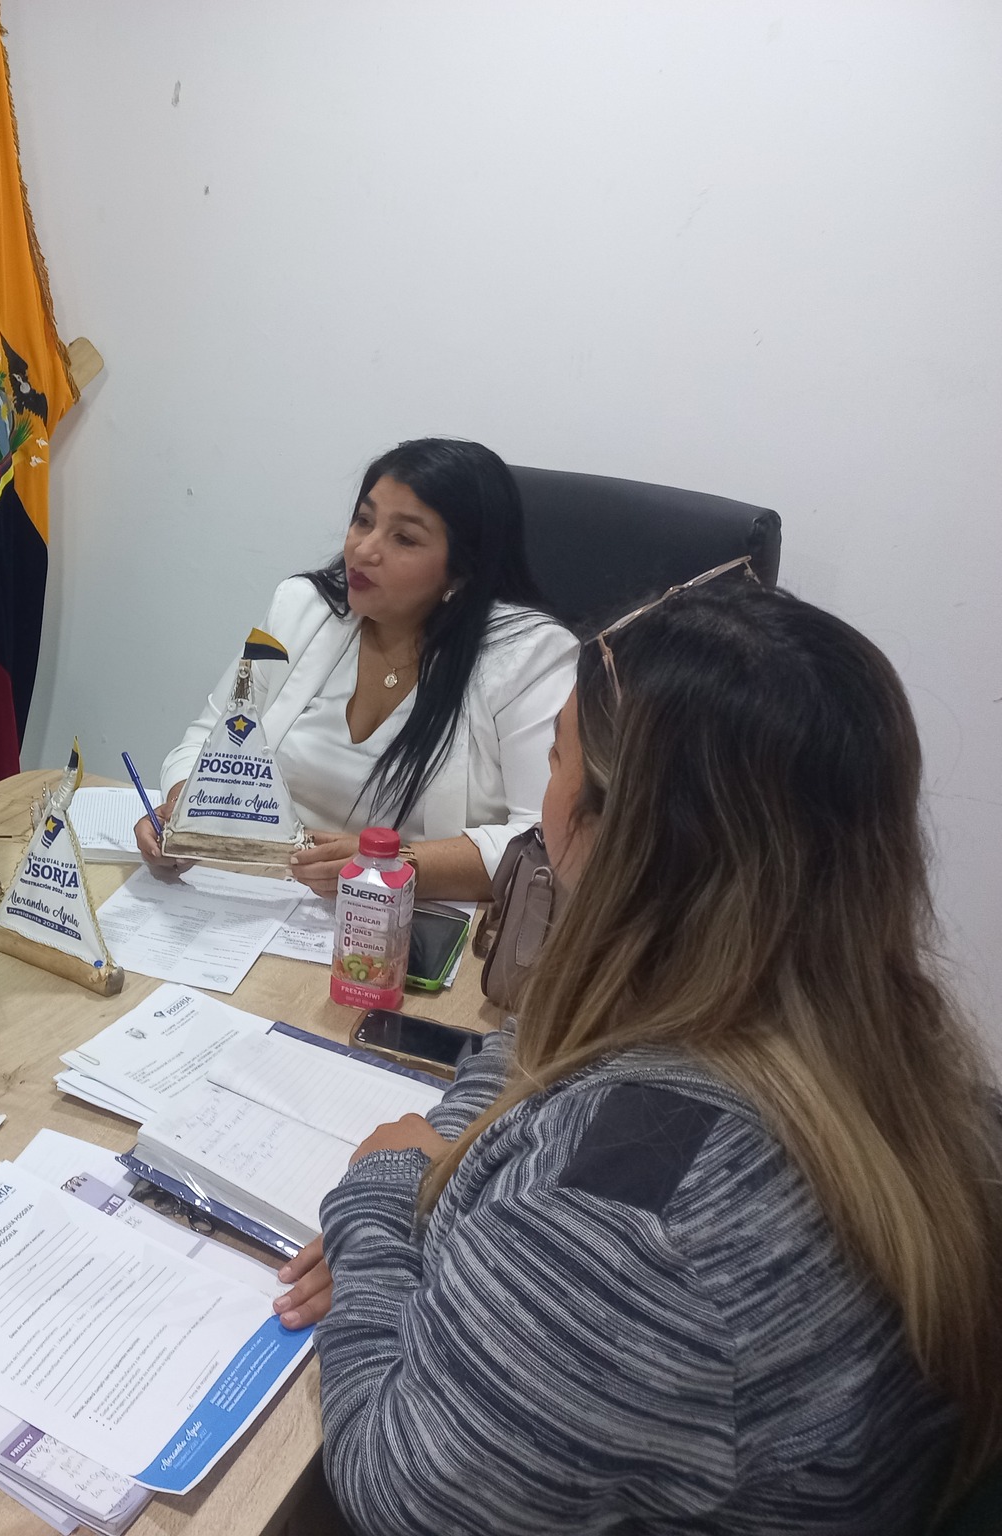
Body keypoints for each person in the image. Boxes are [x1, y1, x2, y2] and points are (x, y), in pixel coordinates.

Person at [272, 573, 1002, 1531]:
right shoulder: (874, 1041)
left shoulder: (633, 1235)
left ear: (625, 836)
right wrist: (445, 1176)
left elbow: (393, 1488)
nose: (543, 802)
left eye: (557, 757)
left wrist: (382, 1197)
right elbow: (533, 1051)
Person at [137, 438, 575, 900]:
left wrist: (392, 865)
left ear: (462, 570)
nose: (363, 550)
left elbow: (550, 838)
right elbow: (208, 737)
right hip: (266, 896)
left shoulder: (527, 656)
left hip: (413, 916)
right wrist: (185, 813)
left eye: (404, 538)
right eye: (364, 521)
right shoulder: (301, 609)